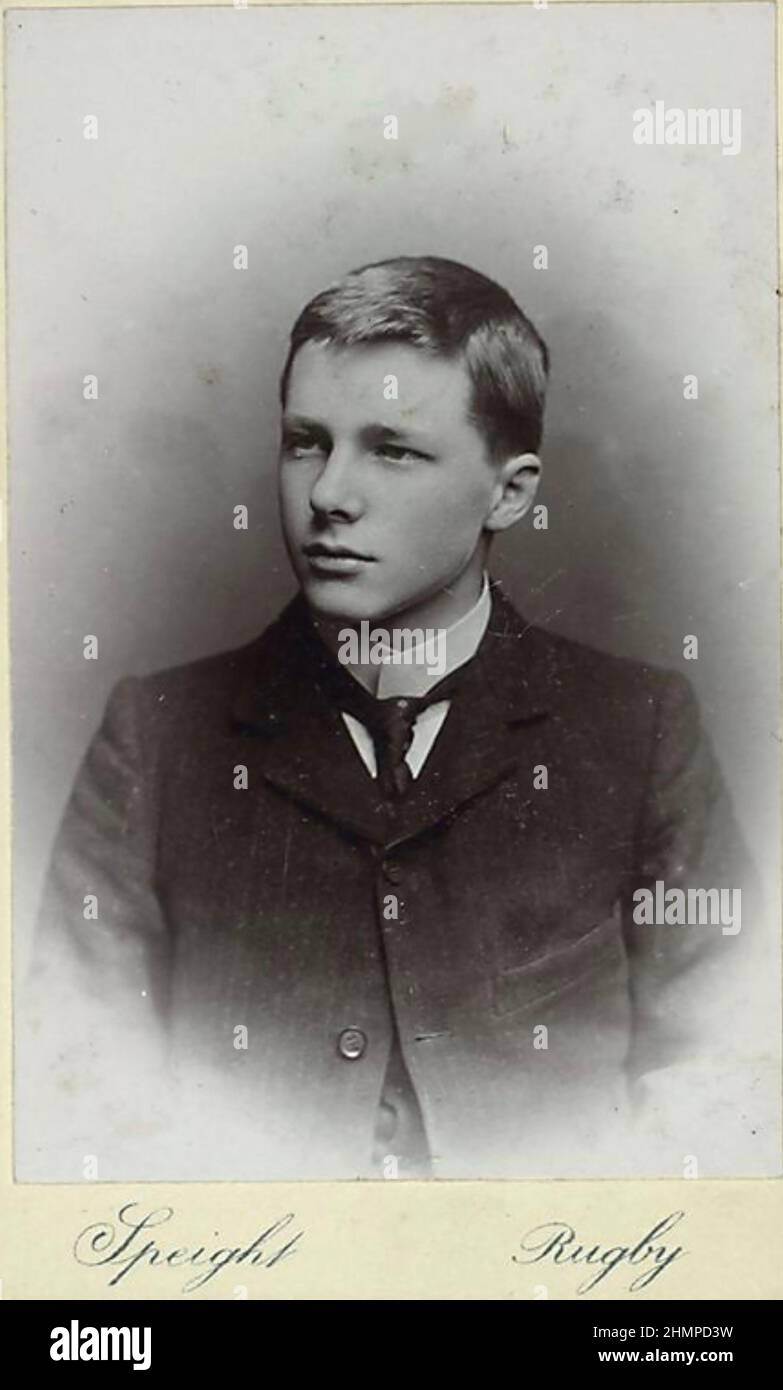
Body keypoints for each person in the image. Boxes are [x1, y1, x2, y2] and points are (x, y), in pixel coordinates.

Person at [20, 256, 752, 1181]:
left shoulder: (639, 729)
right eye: (304, 442)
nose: (329, 494)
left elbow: (721, 1081)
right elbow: (82, 1089)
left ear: (510, 490)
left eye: (392, 448)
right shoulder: (158, 736)